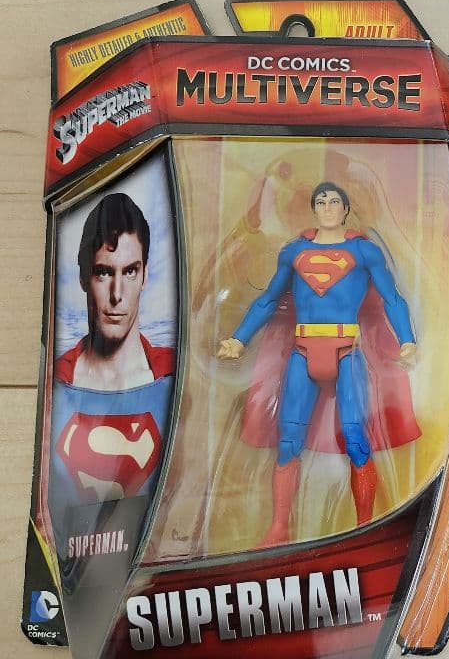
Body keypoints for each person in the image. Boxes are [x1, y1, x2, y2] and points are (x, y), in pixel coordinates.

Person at [217, 181, 418, 547]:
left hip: (347, 352)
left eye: (334, 201)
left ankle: (363, 528)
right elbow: (268, 300)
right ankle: (279, 527)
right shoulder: (294, 251)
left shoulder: (364, 251)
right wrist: (238, 339)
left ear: (346, 209)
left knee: (356, 439)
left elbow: (392, 297)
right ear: (313, 208)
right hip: (303, 350)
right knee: (288, 442)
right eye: (321, 201)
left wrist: (407, 340)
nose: (327, 207)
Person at [49, 192, 175, 556]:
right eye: (104, 272)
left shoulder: (175, 373)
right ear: (84, 277)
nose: (117, 294)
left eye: (129, 271)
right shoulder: (56, 384)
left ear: (144, 275)